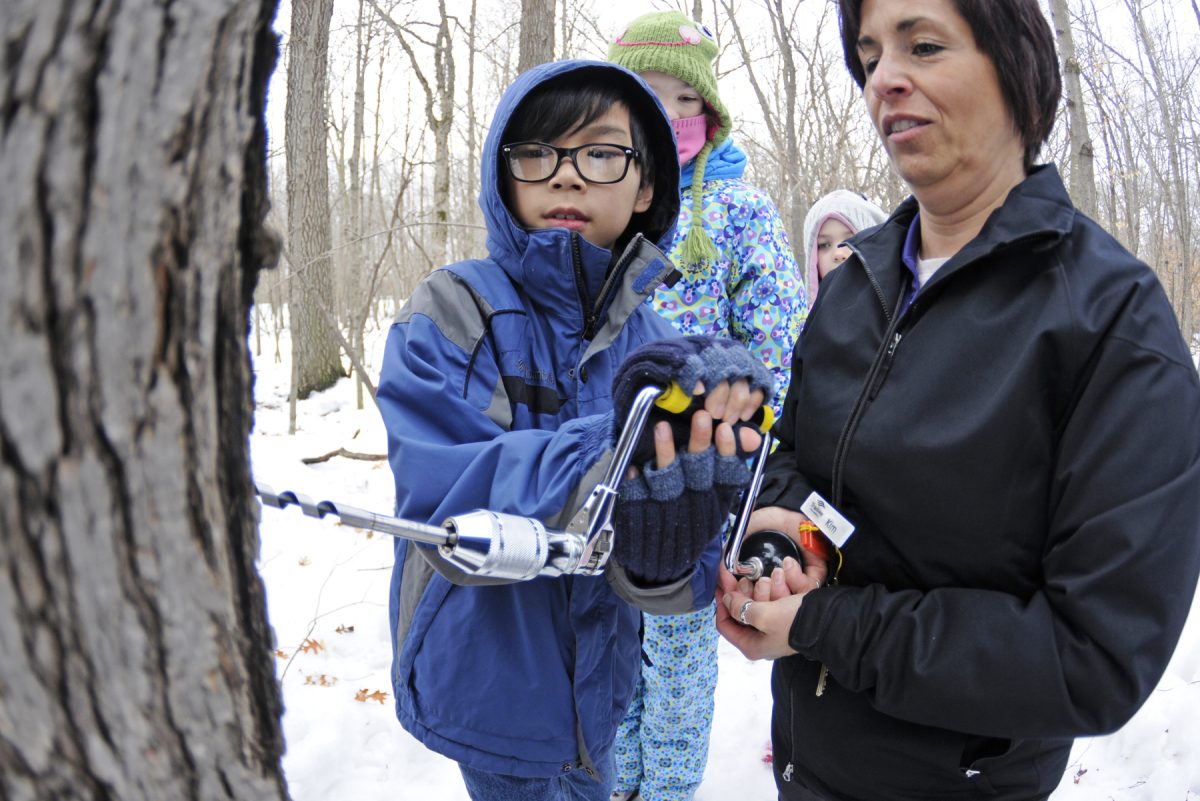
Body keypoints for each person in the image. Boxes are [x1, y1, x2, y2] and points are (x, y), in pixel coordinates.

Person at [714, 1, 1200, 800]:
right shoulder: (856, 283)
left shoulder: (1110, 320)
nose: (885, 81)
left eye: (925, 45)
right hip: (810, 765)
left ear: (1015, 67)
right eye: (869, 57)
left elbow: (1096, 655)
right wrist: (781, 531)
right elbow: (795, 456)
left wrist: (821, 626)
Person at [377, 59, 773, 801]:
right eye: (537, 154)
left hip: (602, 690)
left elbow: (677, 570)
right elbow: (446, 494)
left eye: (598, 153)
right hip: (492, 690)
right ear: (505, 176)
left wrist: (669, 549)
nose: (565, 176)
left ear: (647, 183)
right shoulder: (455, 310)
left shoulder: (654, 340)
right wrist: (619, 454)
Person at [606, 11, 807, 801]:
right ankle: (614, 780)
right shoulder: (605, 202)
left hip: (698, 476)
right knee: (611, 639)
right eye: (644, 97)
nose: (664, 115)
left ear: (707, 113)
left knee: (680, 648)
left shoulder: (737, 208)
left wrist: (732, 426)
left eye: (679, 99)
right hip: (608, 471)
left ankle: (666, 790)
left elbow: (778, 330)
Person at [801, 189, 886, 302]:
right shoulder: (804, 318)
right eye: (825, 245)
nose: (838, 253)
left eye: (851, 241)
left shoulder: (902, 313)